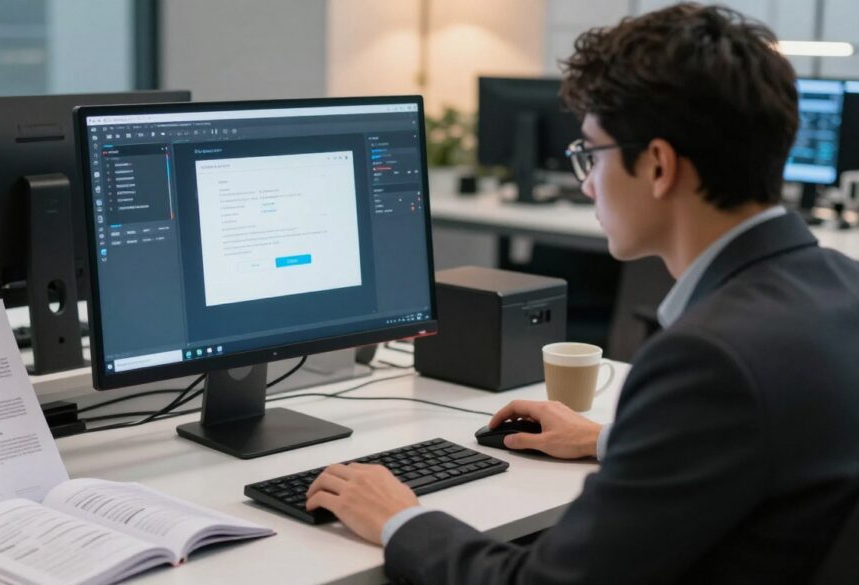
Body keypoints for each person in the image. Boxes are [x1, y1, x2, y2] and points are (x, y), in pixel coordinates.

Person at [304, 4, 859, 584]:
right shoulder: (840, 289)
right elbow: (766, 447)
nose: (587, 181)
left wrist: (399, 520)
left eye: (590, 155)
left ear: (660, 165)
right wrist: (609, 440)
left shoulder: (708, 358)